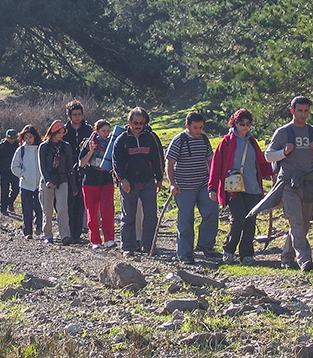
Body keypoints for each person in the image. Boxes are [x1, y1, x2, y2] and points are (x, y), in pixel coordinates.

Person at [264, 96, 313, 272]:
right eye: (300, 110)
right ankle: (304, 259)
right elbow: (268, 156)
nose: (303, 114)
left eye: (306, 110)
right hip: (288, 184)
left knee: (303, 223)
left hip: (309, 183)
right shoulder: (283, 132)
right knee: (296, 221)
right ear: (292, 111)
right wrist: (284, 152)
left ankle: (286, 255)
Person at [209, 108, 273, 265]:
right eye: (241, 123)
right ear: (234, 123)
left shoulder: (252, 141)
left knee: (250, 220)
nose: (244, 126)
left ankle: (246, 254)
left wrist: (274, 172)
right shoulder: (226, 142)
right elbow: (216, 166)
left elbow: (261, 163)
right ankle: (229, 249)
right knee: (238, 219)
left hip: (252, 186)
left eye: (247, 123)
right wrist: (212, 188)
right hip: (233, 187)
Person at [166, 112, 218, 264]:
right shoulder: (179, 140)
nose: (198, 130)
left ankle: (206, 246)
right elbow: (170, 164)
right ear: (187, 126)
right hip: (184, 188)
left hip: (203, 184)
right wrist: (172, 183)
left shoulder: (204, 139)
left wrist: (213, 181)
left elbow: (210, 159)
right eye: (195, 127)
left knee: (211, 212)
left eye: (201, 127)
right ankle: (185, 253)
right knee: (186, 219)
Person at [112, 107, 164, 258]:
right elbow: (117, 163)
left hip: (148, 181)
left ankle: (149, 246)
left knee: (151, 215)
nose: (139, 125)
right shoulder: (121, 140)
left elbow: (157, 158)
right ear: (129, 122)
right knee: (128, 216)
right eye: (136, 122)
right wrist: (123, 180)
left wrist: (159, 178)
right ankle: (128, 247)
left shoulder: (151, 137)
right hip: (130, 183)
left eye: (141, 122)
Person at [78, 119, 116, 250]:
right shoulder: (89, 143)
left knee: (108, 210)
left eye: (107, 131)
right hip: (90, 179)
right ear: (97, 131)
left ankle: (109, 239)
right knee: (92, 212)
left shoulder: (112, 143)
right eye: (103, 131)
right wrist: (91, 151)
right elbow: (81, 163)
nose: (106, 133)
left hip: (106, 178)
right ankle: (95, 240)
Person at [38, 120, 75, 245]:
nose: (61, 135)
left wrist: (73, 186)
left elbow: (70, 167)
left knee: (62, 208)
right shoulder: (44, 147)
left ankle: (65, 235)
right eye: (59, 132)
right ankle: (47, 235)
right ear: (52, 132)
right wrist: (47, 180)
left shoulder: (66, 147)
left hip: (62, 179)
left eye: (63, 132)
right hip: (47, 180)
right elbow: (42, 166)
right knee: (47, 210)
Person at [63, 100, 93, 244]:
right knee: (68, 200)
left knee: (80, 201)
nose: (77, 117)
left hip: (84, 167)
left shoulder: (88, 130)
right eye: (74, 114)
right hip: (67, 168)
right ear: (69, 115)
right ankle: (67, 230)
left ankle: (76, 233)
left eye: (79, 114)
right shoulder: (64, 130)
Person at [10, 125, 43, 239]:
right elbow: (14, 167)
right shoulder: (21, 150)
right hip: (25, 185)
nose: (28, 140)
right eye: (26, 137)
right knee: (27, 209)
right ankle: (27, 232)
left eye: (30, 137)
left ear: (35, 137)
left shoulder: (40, 148)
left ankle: (39, 226)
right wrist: (23, 174)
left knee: (39, 208)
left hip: (39, 184)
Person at [0, 129, 20, 215]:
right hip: (3, 171)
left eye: (14, 138)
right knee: (4, 190)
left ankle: (9, 202)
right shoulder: (1, 146)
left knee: (16, 189)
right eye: (10, 138)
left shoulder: (18, 146)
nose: (12, 140)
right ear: (6, 137)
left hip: (14, 171)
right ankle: (3, 208)